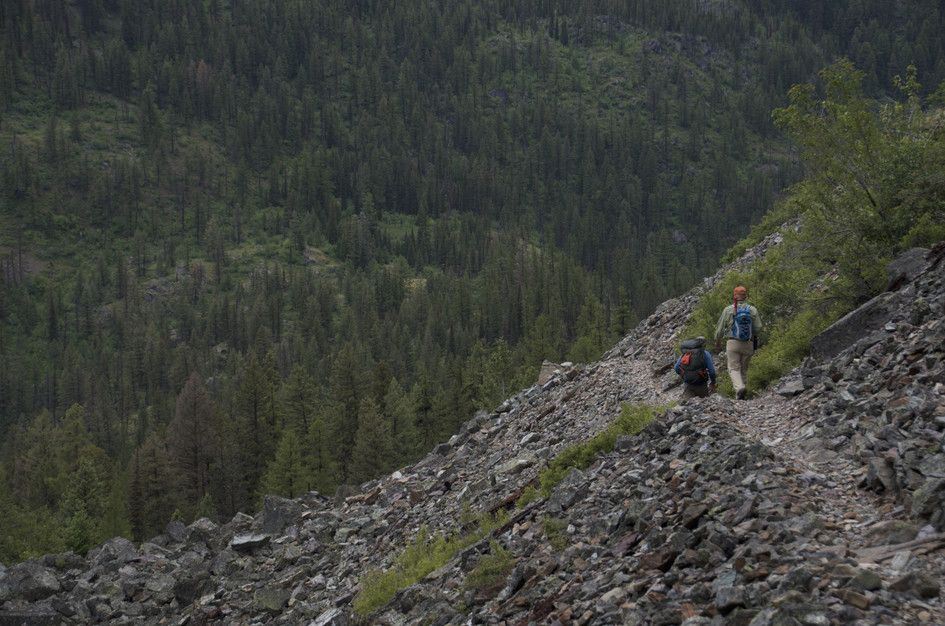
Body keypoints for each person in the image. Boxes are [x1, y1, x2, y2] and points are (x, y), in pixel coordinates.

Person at [714, 285, 762, 400]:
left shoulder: (728, 309)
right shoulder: (752, 309)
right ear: (745, 296)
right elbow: (759, 327)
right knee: (744, 369)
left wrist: (718, 341)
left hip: (733, 343)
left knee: (733, 368)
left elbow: (719, 330)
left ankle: (739, 388)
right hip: (748, 343)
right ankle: (741, 394)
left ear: (734, 296)